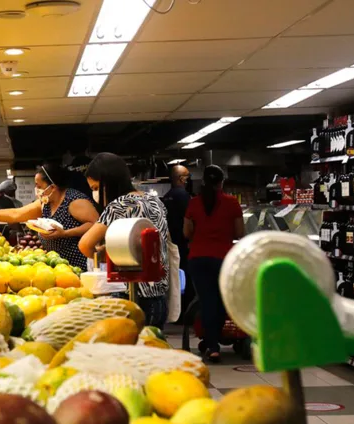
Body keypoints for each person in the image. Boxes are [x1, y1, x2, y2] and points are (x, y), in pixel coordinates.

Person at [78, 153, 170, 329]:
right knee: (152, 346)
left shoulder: (119, 205)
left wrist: (105, 255)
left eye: (96, 187)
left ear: (108, 182)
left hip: (130, 296)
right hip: (158, 296)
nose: (95, 193)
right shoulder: (155, 201)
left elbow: (85, 245)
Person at [0, 163, 99, 270]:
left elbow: (95, 224)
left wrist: (65, 233)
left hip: (77, 264)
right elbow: (15, 214)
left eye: (38, 185)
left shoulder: (74, 201)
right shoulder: (45, 203)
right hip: (55, 264)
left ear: (52, 187)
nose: (36, 189)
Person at [184, 165, 245, 363]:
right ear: (222, 182)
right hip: (224, 259)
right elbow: (239, 233)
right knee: (220, 300)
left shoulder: (194, 203)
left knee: (207, 300)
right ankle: (213, 343)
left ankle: (211, 343)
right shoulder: (232, 202)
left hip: (198, 259)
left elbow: (187, 232)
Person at [163, 165, 193, 318]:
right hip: (183, 244)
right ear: (181, 178)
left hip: (169, 244)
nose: (189, 180)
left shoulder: (167, 196)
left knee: (175, 280)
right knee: (186, 280)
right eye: (187, 176)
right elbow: (190, 222)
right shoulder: (184, 196)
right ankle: (185, 314)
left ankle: (176, 311)